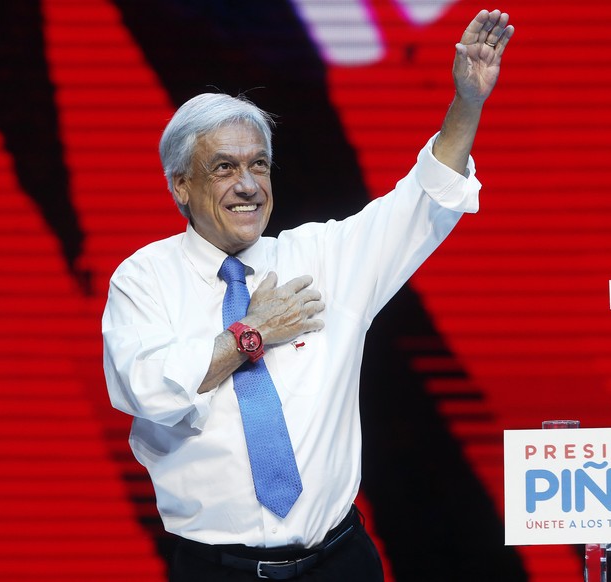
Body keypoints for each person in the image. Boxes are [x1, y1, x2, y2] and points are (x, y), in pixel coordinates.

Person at [102, 9, 514, 582]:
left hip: (337, 563)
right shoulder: (143, 279)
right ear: (181, 186)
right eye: (224, 168)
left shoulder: (322, 257)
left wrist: (467, 102)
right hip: (215, 569)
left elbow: (426, 197)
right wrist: (253, 333)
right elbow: (149, 391)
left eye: (259, 165)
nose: (248, 185)